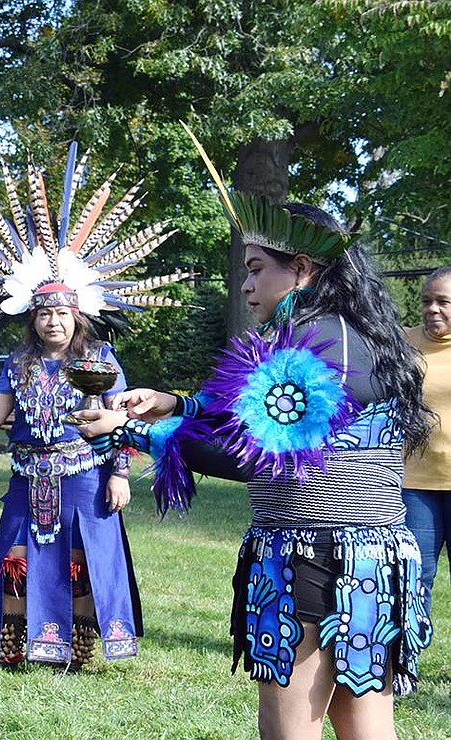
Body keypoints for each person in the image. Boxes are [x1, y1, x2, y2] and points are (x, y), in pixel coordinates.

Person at [80, 182, 433, 736]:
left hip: (313, 556)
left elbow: (254, 455)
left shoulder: (312, 345)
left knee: (287, 730)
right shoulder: (352, 336)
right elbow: (255, 420)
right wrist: (173, 403)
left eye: (254, 268)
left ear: (299, 267)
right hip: (371, 556)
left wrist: (133, 433)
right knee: (364, 725)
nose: (244, 284)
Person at [0, 282, 140, 669]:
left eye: (62, 314)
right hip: (26, 476)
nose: (53, 322)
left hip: (83, 475)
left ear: (76, 317)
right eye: (45, 314)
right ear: (33, 319)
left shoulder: (99, 356)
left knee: (79, 562)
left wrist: (120, 473)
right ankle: (11, 648)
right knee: (12, 558)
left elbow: (120, 417)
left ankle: (75, 651)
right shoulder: (18, 362)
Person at [403, 266, 451, 618]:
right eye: (427, 301)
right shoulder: (403, 344)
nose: (432, 309)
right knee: (413, 578)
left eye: (443, 302)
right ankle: (406, 665)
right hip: (414, 483)